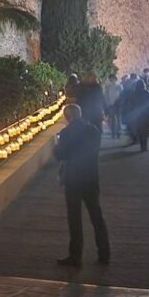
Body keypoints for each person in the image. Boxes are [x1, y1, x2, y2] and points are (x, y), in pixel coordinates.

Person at [52, 104, 110, 266]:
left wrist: (56, 145)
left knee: (74, 218)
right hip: (91, 176)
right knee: (96, 215)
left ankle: (75, 255)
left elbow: (60, 155)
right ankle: (104, 252)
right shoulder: (93, 131)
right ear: (80, 114)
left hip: (73, 178)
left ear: (67, 117)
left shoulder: (66, 133)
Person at [102, 75, 123, 139]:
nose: (112, 80)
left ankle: (118, 132)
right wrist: (108, 104)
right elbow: (106, 96)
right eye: (111, 79)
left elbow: (122, 95)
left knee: (118, 119)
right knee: (113, 119)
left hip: (118, 104)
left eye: (113, 79)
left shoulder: (119, 86)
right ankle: (113, 133)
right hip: (111, 105)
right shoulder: (108, 87)